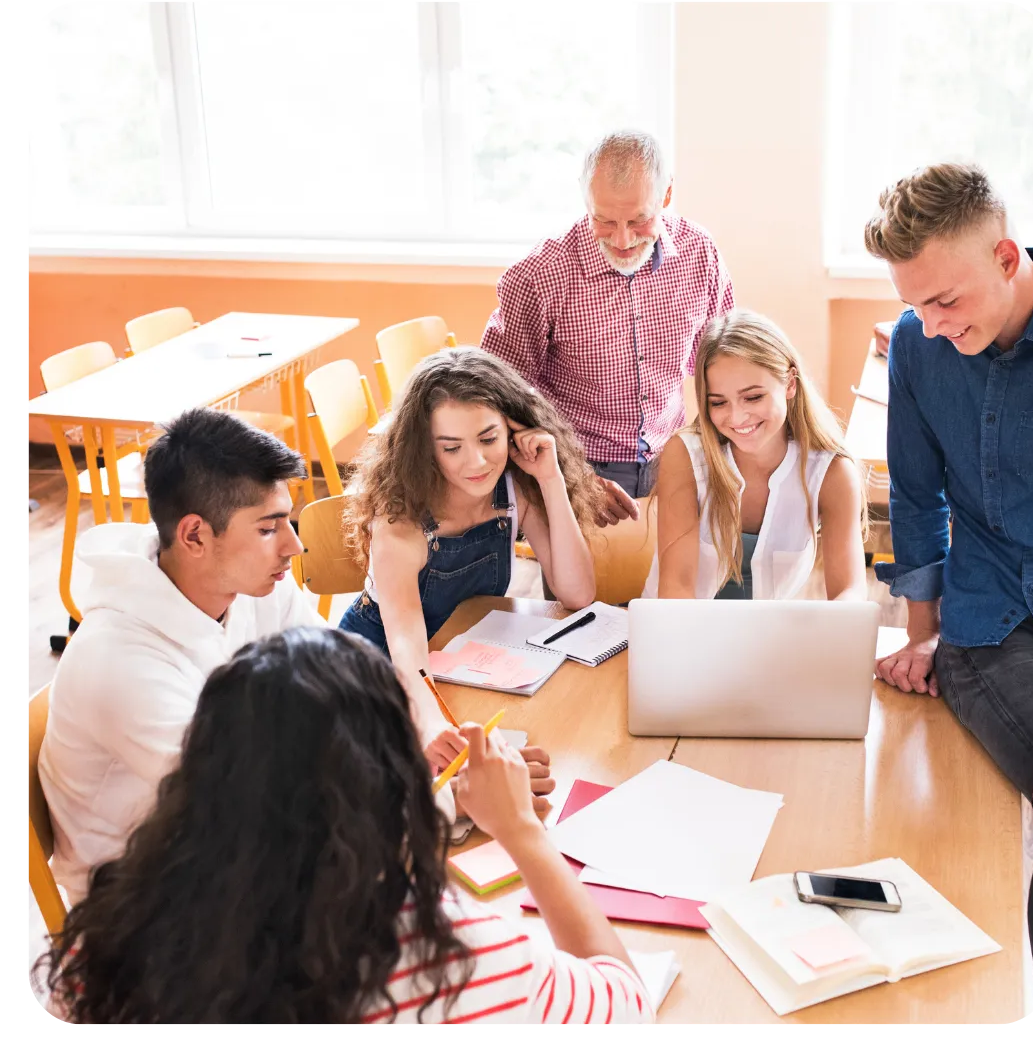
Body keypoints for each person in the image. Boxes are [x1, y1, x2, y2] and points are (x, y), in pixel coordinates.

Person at [40, 627, 655, 1028]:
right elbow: (627, 1003)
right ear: (388, 777)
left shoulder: (105, 946)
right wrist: (522, 832)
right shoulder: (464, 958)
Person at [864, 163, 1033, 1004]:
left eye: (946, 302)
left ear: (1007, 257)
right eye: (916, 305)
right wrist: (921, 635)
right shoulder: (916, 345)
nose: (933, 327)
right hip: (993, 626)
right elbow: (915, 493)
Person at [37, 408, 326, 906]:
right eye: (267, 528)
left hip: (224, 840)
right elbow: (239, 798)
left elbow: (336, 673)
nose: (293, 546)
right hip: (140, 897)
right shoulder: (121, 660)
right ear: (194, 535)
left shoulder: (252, 583)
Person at [338, 345, 606, 780]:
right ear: (424, 449)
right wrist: (429, 720)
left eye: (488, 438)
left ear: (513, 428)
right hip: (384, 661)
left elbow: (577, 593)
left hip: (457, 653)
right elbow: (406, 644)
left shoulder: (516, 486)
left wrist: (550, 477)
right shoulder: (399, 520)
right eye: (451, 448)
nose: (477, 462)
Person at [482, 130, 736, 525]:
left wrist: (717, 451)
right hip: (577, 466)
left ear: (666, 195)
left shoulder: (700, 254)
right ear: (586, 200)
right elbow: (495, 397)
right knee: (582, 589)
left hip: (675, 458)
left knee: (671, 587)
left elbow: (723, 362)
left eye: (639, 219)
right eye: (604, 219)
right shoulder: (539, 274)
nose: (622, 239)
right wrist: (572, 478)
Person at [644, 308, 868, 601]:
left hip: (771, 640)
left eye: (753, 397)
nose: (737, 418)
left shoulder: (832, 472)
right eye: (719, 402)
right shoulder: (685, 455)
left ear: (790, 383)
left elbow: (850, 591)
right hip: (682, 633)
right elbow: (677, 588)